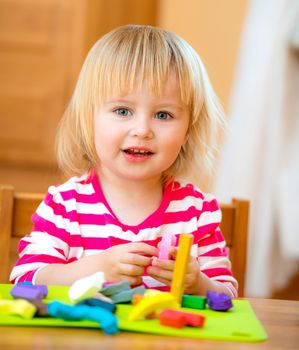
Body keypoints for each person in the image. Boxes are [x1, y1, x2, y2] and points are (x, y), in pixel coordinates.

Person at [10, 24, 237, 297]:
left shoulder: (197, 212)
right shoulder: (65, 205)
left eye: (163, 115)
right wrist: (94, 268)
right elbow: (24, 280)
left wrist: (197, 283)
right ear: (88, 118)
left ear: (188, 129)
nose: (142, 129)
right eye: (122, 110)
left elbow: (227, 296)